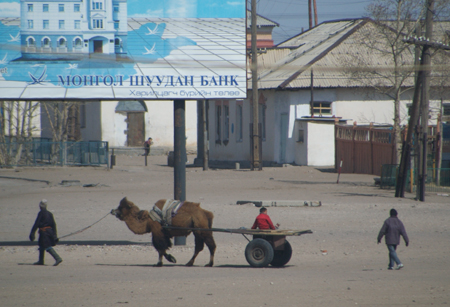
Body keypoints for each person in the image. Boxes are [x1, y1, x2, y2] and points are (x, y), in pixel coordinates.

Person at [29, 199, 63, 266]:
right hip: (49, 232)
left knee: (47, 246)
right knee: (41, 246)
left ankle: (57, 258)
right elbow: (54, 224)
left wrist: (32, 233)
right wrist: (55, 235)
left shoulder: (41, 213)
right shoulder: (50, 214)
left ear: (40, 206)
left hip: (44, 232)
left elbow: (36, 223)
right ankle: (41, 261)